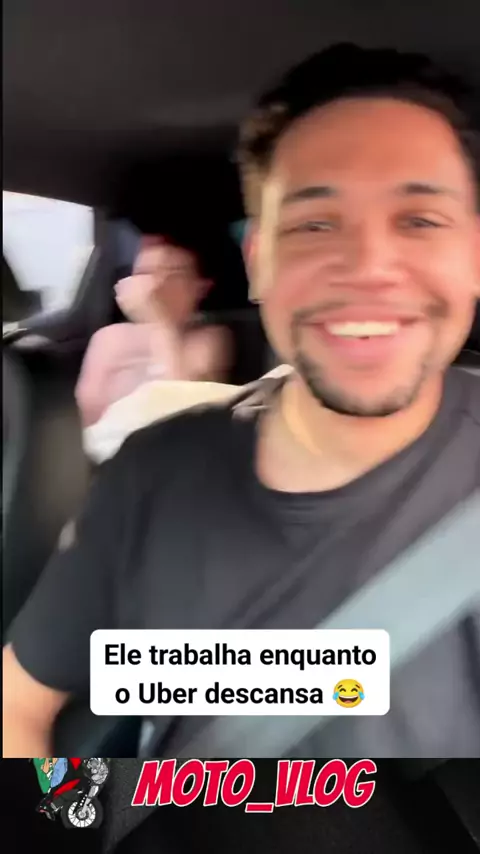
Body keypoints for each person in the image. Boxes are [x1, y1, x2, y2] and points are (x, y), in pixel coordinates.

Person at [3, 43, 480, 758]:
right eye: (314, 224)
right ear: (258, 263)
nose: (369, 266)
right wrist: (70, 809)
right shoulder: (153, 473)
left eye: (420, 220)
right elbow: (16, 707)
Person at [75, 235, 232, 429]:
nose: (156, 286)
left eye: (175, 275)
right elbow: (88, 414)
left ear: (200, 287)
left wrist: (160, 323)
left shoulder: (210, 338)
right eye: (145, 274)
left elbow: (188, 413)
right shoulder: (108, 337)